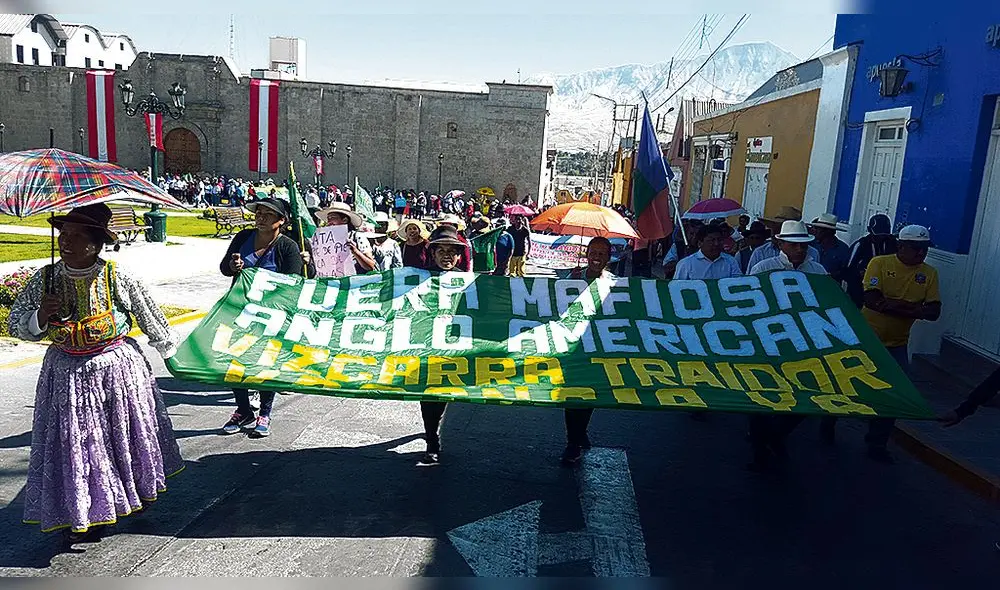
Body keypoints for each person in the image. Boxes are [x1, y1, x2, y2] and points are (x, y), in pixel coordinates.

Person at [8, 204, 183, 541]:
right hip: (65, 376)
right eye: (63, 234)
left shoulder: (116, 276)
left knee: (115, 440)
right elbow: (17, 324)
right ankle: (83, 510)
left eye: (76, 236)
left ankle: (126, 494)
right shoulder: (45, 279)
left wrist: (171, 354)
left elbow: (150, 316)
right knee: (77, 444)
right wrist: (42, 315)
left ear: (96, 243)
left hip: (114, 371)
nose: (65, 242)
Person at [744, 220, 828, 471]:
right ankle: (760, 451)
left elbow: (824, 305)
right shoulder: (763, 267)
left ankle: (777, 437)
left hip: (801, 343)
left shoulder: (818, 272)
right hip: (765, 341)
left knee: (802, 396)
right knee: (760, 398)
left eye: (803, 245)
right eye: (794, 244)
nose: (799, 249)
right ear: (780, 244)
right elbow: (746, 300)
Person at [220, 197, 307, 437]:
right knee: (233, 359)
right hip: (239, 309)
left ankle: (265, 413)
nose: (260, 218)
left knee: (266, 363)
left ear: (281, 220)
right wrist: (233, 265)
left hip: (271, 315)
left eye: (268, 214)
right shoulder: (242, 238)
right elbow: (224, 268)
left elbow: (293, 283)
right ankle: (243, 409)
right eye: (259, 213)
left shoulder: (287, 246)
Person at [859, 224, 941, 463]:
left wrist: (893, 305)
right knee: (852, 385)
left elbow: (934, 311)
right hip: (866, 338)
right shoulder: (880, 264)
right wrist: (915, 309)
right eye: (916, 248)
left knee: (896, 392)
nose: (920, 254)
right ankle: (829, 420)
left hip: (897, 343)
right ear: (901, 246)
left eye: (924, 249)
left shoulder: (929, 273)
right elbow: (872, 300)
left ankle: (877, 442)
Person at [416, 225, 469, 466]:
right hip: (427, 348)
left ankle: (433, 431)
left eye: (453, 251)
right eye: (442, 250)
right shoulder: (417, 279)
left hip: (455, 349)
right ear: (433, 253)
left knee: (444, 396)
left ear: (459, 256)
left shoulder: (468, 282)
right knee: (429, 396)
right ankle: (431, 440)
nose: (447, 255)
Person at [561, 237, 615, 466]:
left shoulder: (615, 284)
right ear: (586, 253)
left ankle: (579, 433)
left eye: (602, 254)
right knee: (572, 394)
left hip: (598, 347)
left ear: (608, 258)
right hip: (574, 347)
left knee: (589, 394)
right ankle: (573, 442)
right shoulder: (572, 278)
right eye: (593, 252)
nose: (597, 257)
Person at [845, 213, 898, 308]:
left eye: (884, 235)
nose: (881, 238)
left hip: (885, 292)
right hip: (860, 291)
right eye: (878, 235)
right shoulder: (861, 245)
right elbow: (848, 269)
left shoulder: (893, 243)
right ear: (869, 230)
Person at [746, 206, 820, 271]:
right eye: (772, 227)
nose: (774, 232)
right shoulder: (760, 256)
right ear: (780, 244)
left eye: (779, 228)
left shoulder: (816, 264)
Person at [315, 202, 378, 274]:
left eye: (332, 217)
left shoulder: (357, 237)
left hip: (355, 282)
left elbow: (371, 266)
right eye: (328, 218)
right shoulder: (324, 239)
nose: (329, 221)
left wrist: (355, 251)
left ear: (344, 220)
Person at [673, 223, 743, 280]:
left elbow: (737, 284)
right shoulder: (686, 264)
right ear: (700, 243)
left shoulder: (731, 261)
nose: (716, 244)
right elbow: (677, 288)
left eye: (719, 240)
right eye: (711, 240)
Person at [808, 213, 851, 283]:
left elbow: (846, 272)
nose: (814, 231)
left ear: (827, 231)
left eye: (817, 228)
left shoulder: (843, 249)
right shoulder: (811, 244)